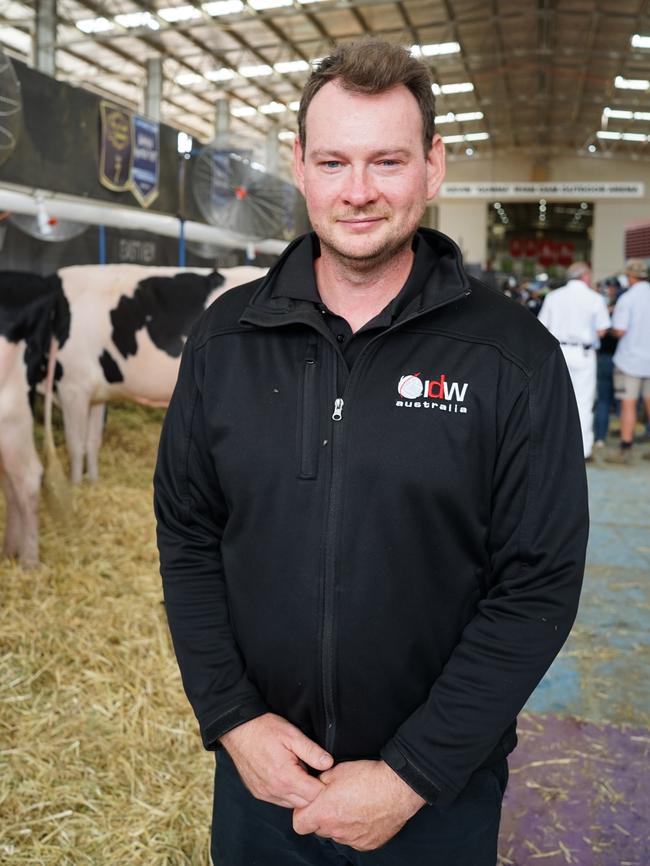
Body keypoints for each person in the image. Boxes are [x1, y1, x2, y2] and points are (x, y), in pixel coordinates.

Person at [154, 39, 588, 866]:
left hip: (436, 802)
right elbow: (188, 536)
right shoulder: (224, 341)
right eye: (334, 161)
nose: (358, 192)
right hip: (262, 791)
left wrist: (411, 774)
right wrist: (233, 719)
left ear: (434, 166)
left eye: (387, 161)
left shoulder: (512, 358)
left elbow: (537, 586)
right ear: (299, 166)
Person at [537, 262, 610, 461]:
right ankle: (583, 450)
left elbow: (542, 327)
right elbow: (603, 329)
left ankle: (552, 446)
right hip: (583, 353)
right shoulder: (595, 298)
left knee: (555, 399)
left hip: (558, 351)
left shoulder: (553, 296)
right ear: (585, 277)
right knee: (583, 401)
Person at [604, 258, 650, 464]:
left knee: (628, 404)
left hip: (630, 359)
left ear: (631, 277)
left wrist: (610, 326)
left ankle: (626, 448)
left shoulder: (628, 299)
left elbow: (620, 330)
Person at [594, 279, 621, 447]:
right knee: (604, 399)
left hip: (619, 357)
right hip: (606, 356)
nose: (609, 290)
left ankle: (622, 435)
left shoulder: (623, 303)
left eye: (612, 287)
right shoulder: (599, 303)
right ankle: (600, 437)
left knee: (622, 400)